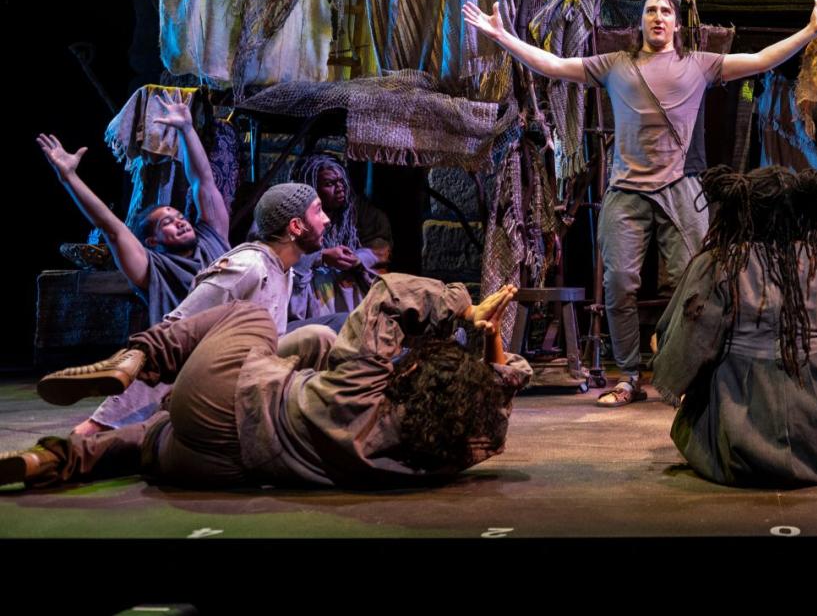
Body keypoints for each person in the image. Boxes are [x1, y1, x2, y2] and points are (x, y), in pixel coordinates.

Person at [463, 0, 817, 407]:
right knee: (618, 285)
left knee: (694, 286)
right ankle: (629, 378)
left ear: (677, 24)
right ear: (641, 22)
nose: (658, 16)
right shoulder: (615, 64)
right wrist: (503, 37)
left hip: (680, 188)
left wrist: (811, 31)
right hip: (626, 190)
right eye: (650, 10)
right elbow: (554, 65)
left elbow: (759, 61)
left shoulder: (698, 64)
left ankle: (684, 377)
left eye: (666, 11)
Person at [1, 276, 527, 489]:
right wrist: (492, 344)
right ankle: (49, 461)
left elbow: (390, 294)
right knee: (148, 439)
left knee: (251, 315)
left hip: (222, 398)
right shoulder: (443, 452)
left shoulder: (362, 385)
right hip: (225, 466)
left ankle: (139, 354)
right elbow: (493, 411)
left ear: (414, 374)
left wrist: (463, 311)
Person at [652, 166, 817, 487]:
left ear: (740, 212)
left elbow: (686, 346)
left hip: (738, 443)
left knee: (672, 355)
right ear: (803, 213)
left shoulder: (718, 265)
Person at [79, 181, 332, 434]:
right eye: (318, 210)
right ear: (296, 226)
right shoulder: (248, 267)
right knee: (317, 336)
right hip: (214, 384)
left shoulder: (284, 269)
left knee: (321, 336)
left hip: (254, 375)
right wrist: (101, 422)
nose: (326, 219)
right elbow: (173, 336)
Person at [38, 99, 231, 325]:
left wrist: (186, 130)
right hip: (200, 339)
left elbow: (203, 181)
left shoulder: (211, 240)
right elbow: (111, 228)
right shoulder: (153, 270)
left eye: (180, 217)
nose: (180, 222)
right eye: (167, 222)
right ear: (151, 241)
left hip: (244, 328)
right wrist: (69, 178)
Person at [288, 153, 394, 327]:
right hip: (313, 289)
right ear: (312, 188)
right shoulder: (294, 215)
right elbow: (282, 254)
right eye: (329, 184)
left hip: (350, 281)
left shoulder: (359, 211)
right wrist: (321, 257)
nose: (340, 188)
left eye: (341, 181)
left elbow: (380, 246)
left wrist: (357, 258)